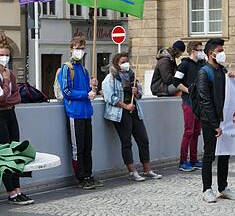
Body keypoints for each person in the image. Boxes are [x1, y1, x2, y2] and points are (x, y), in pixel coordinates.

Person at [0, 35, 34, 205]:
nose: (4, 58)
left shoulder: (10, 73)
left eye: (7, 55)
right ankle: (11, 192)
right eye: (1, 55)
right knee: (4, 153)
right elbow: (1, 95)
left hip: (10, 113)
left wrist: (4, 99)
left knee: (15, 152)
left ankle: (18, 190)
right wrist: (4, 86)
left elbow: (16, 97)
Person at [102, 53, 163, 182]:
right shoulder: (110, 78)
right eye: (123, 62)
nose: (126, 64)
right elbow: (110, 97)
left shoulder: (132, 76)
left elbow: (140, 92)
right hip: (120, 113)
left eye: (127, 61)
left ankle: (147, 169)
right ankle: (132, 171)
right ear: (116, 64)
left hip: (134, 111)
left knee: (143, 140)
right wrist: (125, 106)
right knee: (126, 142)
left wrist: (137, 92)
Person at [197, 38, 235, 203]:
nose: (222, 54)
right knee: (209, 155)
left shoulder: (223, 71)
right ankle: (207, 189)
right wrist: (215, 125)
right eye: (220, 51)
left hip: (225, 119)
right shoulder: (204, 72)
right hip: (210, 120)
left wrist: (232, 78)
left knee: (225, 155)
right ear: (211, 53)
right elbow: (205, 100)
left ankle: (223, 187)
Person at [59, 36, 102, 190]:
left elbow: (88, 91)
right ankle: (81, 177)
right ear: (71, 49)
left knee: (87, 147)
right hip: (75, 113)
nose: (80, 51)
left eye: (82, 48)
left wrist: (92, 88)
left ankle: (88, 174)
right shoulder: (67, 68)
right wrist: (86, 94)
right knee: (78, 148)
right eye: (77, 48)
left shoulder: (84, 70)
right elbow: (66, 91)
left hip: (85, 113)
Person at [173, 41, 204, 172]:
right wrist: (188, 90)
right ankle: (183, 161)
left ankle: (194, 159)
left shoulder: (202, 65)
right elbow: (176, 82)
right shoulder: (184, 65)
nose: (202, 52)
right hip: (188, 102)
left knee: (196, 132)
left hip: (200, 103)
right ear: (192, 51)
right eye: (199, 50)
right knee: (189, 131)